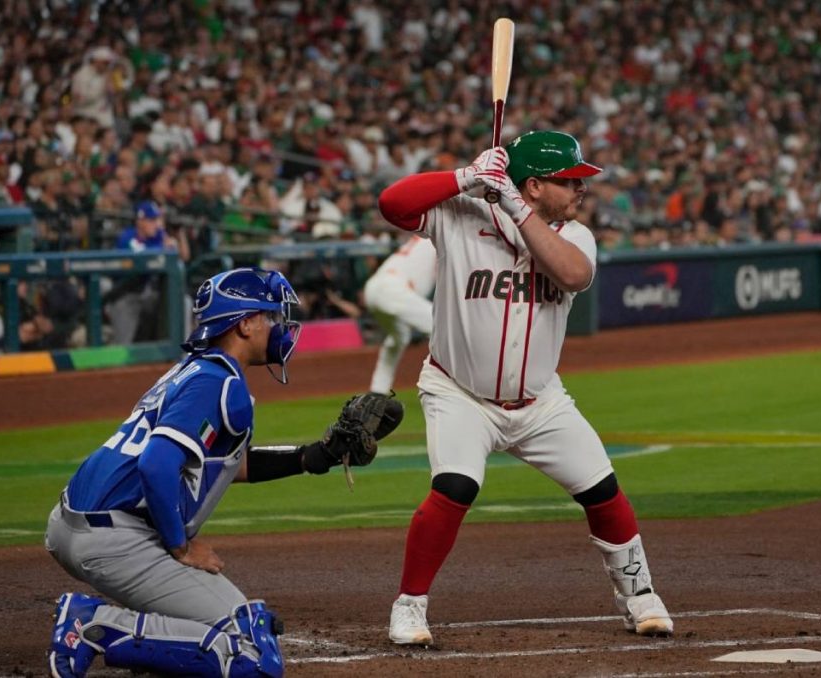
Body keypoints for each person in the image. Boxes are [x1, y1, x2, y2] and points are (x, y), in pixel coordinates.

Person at [377, 131, 674, 646]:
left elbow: (573, 275)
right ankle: (409, 606)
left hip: (541, 402)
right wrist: (464, 178)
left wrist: (514, 205)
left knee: (602, 490)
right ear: (534, 184)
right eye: (570, 180)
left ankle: (640, 595)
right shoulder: (460, 216)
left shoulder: (574, 235)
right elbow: (392, 204)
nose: (581, 188)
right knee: (455, 487)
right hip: (459, 393)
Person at [45, 267, 402, 677]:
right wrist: (180, 547)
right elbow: (156, 463)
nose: (280, 328)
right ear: (246, 324)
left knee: (225, 628)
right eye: (271, 317)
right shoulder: (219, 383)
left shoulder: (194, 369)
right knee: (249, 652)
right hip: (115, 538)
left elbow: (228, 462)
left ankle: (142, 636)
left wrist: (310, 457)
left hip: (77, 523)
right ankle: (93, 625)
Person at [104, 200, 189, 344]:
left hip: (150, 295)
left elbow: (183, 256)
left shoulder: (158, 235)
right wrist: (164, 248)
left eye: (157, 219)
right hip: (126, 294)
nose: (156, 224)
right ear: (140, 221)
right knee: (123, 346)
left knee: (183, 301)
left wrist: (179, 235)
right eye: (151, 220)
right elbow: (140, 257)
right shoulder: (128, 237)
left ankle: (182, 353)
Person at [362, 234, 437, 394]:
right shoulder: (435, 239)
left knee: (398, 338)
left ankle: (378, 391)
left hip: (375, 289)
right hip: (394, 290)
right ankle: (459, 387)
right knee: (443, 329)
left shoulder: (425, 239)